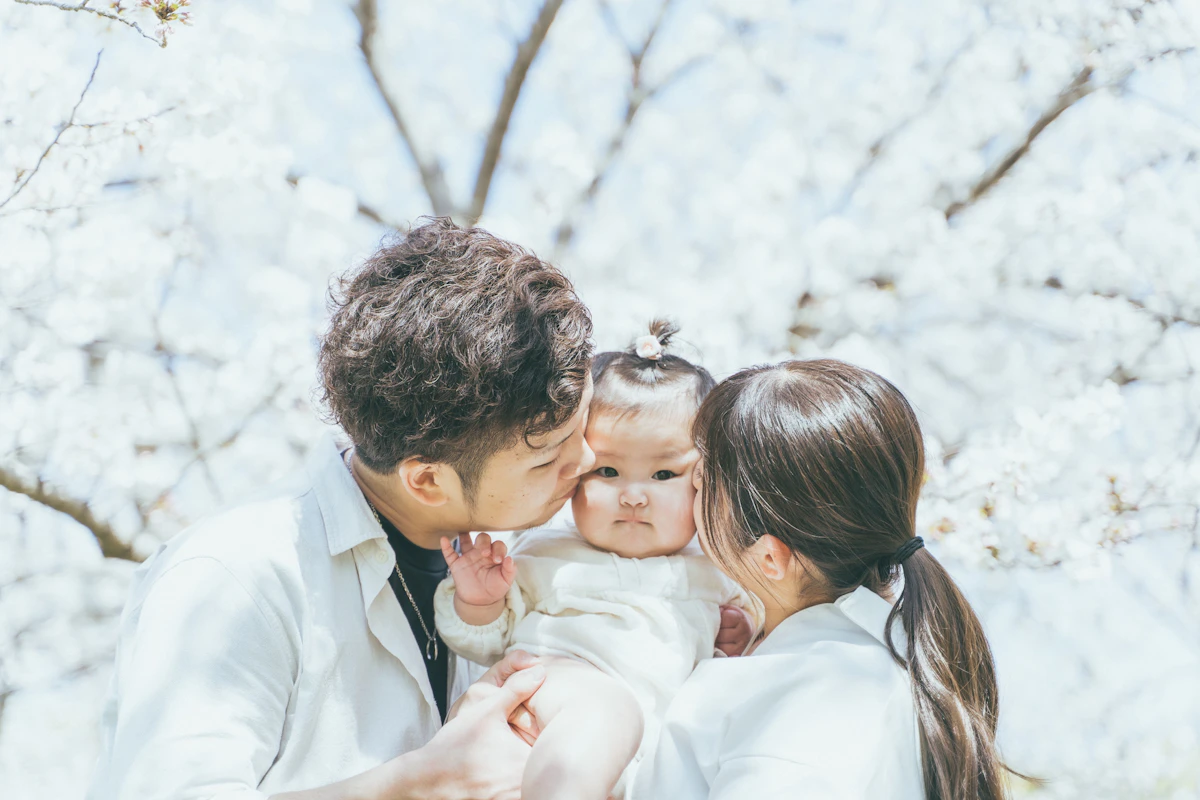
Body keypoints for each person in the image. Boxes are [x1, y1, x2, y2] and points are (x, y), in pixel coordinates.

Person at [87, 218, 598, 800]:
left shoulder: (542, 554)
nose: (586, 458)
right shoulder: (236, 573)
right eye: (548, 456)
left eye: (585, 425)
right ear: (427, 480)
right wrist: (425, 782)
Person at [634, 358, 1021, 800]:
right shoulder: (868, 670)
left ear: (770, 559)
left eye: (700, 482)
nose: (685, 496)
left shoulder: (814, 697)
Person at [433, 321, 763, 800]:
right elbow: (481, 644)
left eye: (663, 473)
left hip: (636, 756)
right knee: (604, 710)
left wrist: (742, 632)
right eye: (607, 470)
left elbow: (758, 631)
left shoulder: (718, 570)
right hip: (546, 702)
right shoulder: (546, 553)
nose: (632, 495)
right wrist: (480, 602)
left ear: (706, 479)